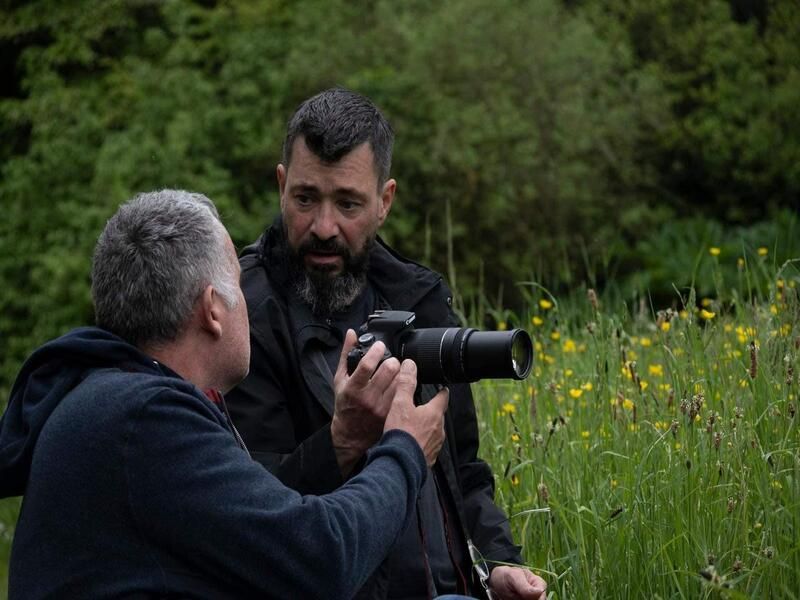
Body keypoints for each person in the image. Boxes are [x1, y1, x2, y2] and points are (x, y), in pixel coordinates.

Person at [0, 189, 452, 599]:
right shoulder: (144, 418)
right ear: (213, 309)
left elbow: (260, 531)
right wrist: (405, 451)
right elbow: (322, 561)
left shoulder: (114, 403)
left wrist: (344, 442)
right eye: (238, 282)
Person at [226, 89, 547, 599]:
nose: (324, 227)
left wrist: (499, 561)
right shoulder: (244, 318)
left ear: (385, 202)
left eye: (348, 203)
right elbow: (249, 518)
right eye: (306, 198)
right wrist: (342, 441)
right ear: (281, 185)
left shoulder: (420, 297)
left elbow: (464, 469)